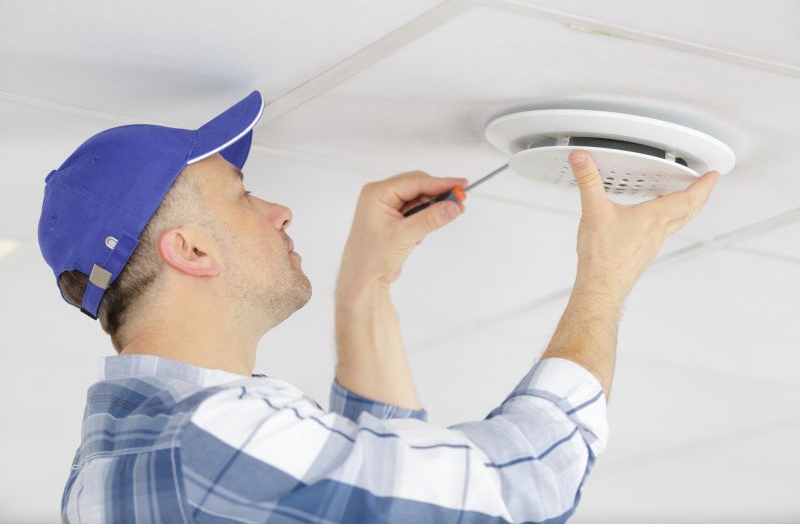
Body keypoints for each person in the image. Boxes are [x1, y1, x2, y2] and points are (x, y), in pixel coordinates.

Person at [39, 91, 720, 523]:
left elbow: (367, 486)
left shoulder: (107, 464)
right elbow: (528, 486)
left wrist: (366, 285)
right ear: (189, 249)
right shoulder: (213, 440)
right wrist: (605, 277)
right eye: (243, 195)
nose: (280, 211)